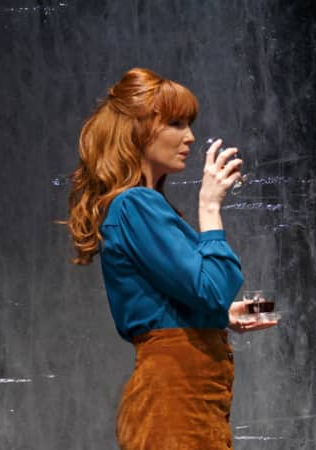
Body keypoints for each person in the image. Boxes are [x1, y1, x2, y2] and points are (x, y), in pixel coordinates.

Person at [64, 67, 278, 449]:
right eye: (176, 124)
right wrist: (210, 205)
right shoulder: (135, 204)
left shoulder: (147, 207)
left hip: (187, 395)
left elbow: (190, 296)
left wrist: (219, 315)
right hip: (173, 396)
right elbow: (210, 289)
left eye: (189, 124)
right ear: (138, 130)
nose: (190, 137)